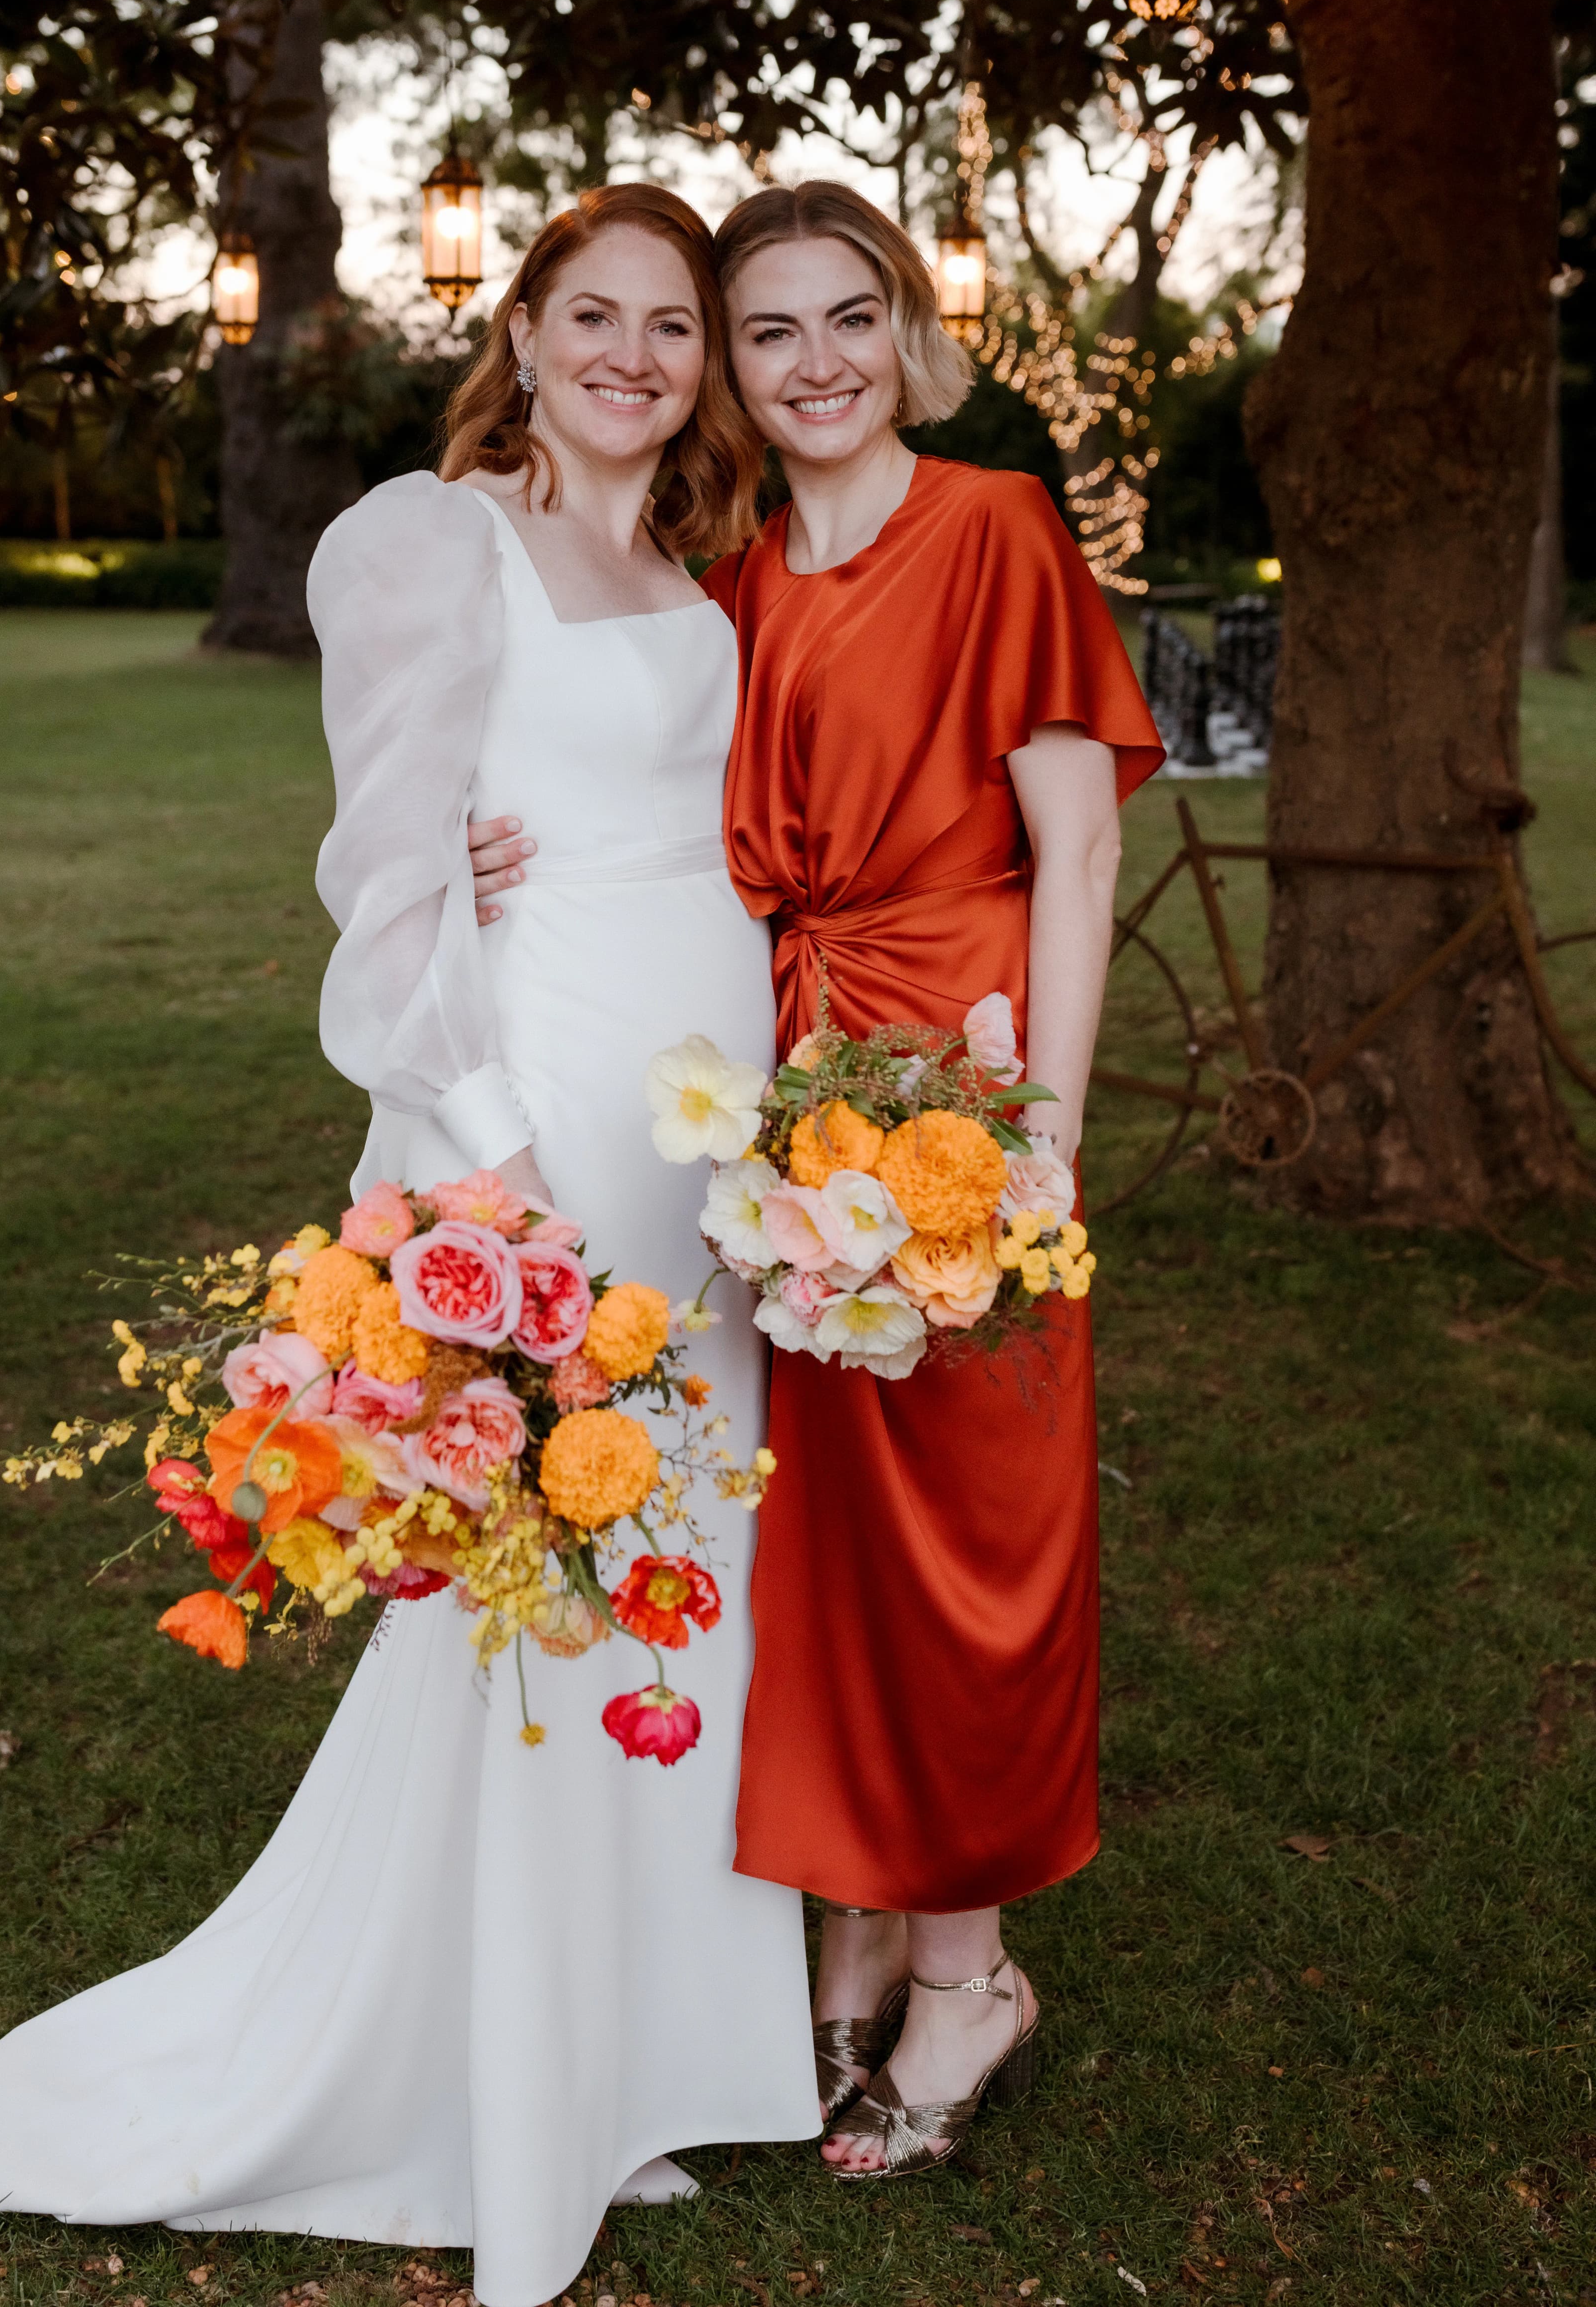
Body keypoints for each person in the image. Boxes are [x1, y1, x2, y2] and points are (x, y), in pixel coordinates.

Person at [0, 184, 816, 2304]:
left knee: (682, 1567)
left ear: (705, 369)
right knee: (534, 1578)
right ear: (524, 332)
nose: (635, 356)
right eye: (594, 315)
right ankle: (496, 2079)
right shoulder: (432, 540)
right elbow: (388, 872)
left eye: (673, 325)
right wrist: (502, 1163)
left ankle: (638, 2060)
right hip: (549, 1111)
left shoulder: (700, 571)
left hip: (705, 1128)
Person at [471, 179, 1161, 2183]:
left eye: (848, 315)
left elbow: (1080, 849)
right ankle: (855, 1919)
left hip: (964, 1071)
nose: (817, 361)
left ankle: (969, 1971)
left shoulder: (996, 526)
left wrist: (1043, 1130)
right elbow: (620, 792)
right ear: (734, 375)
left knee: (974, 1535)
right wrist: (473, 851)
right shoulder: (736, 580)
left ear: (906, 326)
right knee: (830, 1541)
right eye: (767, 331)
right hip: (781, 1093)